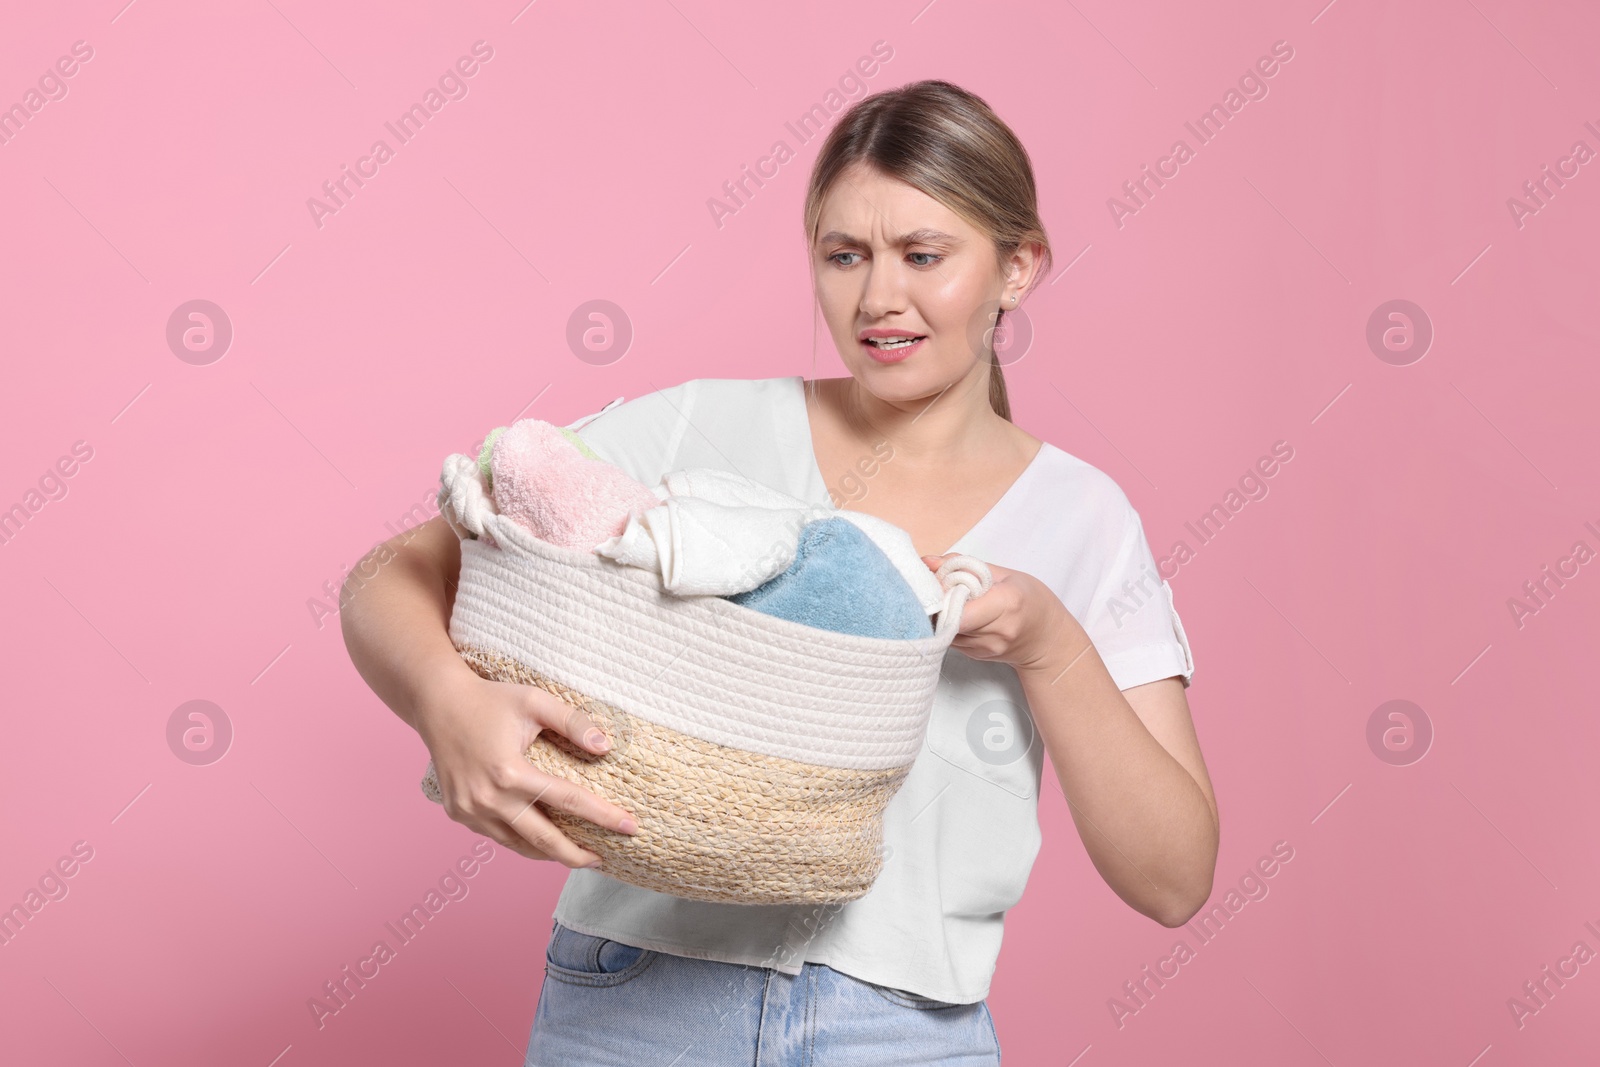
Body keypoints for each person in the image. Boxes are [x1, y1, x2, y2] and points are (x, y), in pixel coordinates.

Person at [341, 78, 1219, 1066]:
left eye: (923, 255)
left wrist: (1053, 647)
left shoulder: (1082, 518)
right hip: (637, 1003)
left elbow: (1173, 878)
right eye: (844, 255)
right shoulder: (699, 429)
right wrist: (446, 703)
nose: (878, 296)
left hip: (904, 1033)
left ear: (1018, 267)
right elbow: (391, 572)